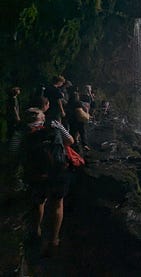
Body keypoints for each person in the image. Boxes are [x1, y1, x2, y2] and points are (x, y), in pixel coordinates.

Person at [23, 107, 74, 252]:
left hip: (37, 173)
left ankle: (36, 232)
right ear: (43, 117)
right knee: (58, 204)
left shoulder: (23, 131)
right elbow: (70, 140)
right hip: (58, 171)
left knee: (38, 202)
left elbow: (15, 151)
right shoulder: (55, 124)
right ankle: (54, 239)